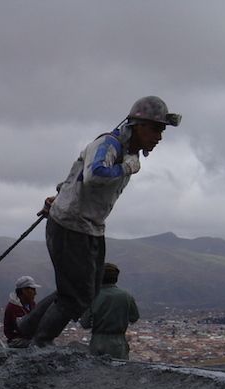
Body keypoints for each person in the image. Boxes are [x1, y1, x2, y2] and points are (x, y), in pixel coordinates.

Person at [22, 96, 180, 346]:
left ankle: (27, 327)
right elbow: (95, 173)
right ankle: (39, 343)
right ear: (137, 125)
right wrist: (127, 167)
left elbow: (75, 178)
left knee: (85, 292)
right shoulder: (110, 144)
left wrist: (60, 194)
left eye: (161, 131)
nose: (159, 137)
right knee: (74, 298)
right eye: (156, 129)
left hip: (86, 226)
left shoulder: (123, 151)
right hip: (71, 225)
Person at [79, 263, 139, 359]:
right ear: (116, 278)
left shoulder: (93, 297)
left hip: (97, 342)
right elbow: (134, 318)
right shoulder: (127, 296)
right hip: (119, 344)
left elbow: (85, 323)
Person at [3, 276, 42, 348]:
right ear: (24, 290)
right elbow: (21, 328)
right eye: (33, 289)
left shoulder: (31, 304)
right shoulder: (13, 307)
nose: (35, 293)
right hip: (16, 341)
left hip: (28, 338)